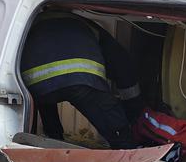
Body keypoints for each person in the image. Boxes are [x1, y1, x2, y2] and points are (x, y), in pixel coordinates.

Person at [20, 14, 142, 149]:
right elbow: (122, 64)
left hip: (36, 83)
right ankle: (127, 152)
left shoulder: (31, 22)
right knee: (114, 124)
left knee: (46, 98)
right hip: (81, 79)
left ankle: (53, 140)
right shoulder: (85, 24)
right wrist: (133, 110)